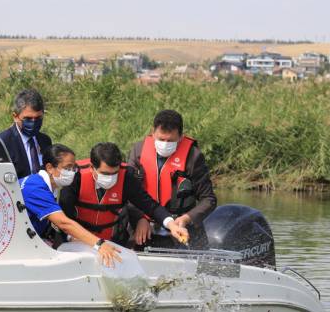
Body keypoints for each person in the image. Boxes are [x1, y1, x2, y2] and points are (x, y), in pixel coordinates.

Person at [59, 142, 189, 246]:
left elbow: (149, 205)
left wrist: (172, 225)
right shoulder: (75, 177)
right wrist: (71, 236)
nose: (110, 178)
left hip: (111, 241)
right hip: (75, 240)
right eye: (105, 174)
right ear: (92, 167)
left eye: (114, 173)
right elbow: (64, 212)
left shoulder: (127, 176)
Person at [19, 143, 121, 267]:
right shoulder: (35, 187)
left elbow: (53, 224)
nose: (72, 172)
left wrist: (70, 237)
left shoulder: (47, 187)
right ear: (50, 168)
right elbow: (63, 222)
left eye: (74, 168)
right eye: (67, 168)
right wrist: (99, 244)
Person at [127, 109, 217, 249]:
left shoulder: (193, 157)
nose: (165, 143)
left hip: (182, 226)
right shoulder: (138, 150)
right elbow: (127, 191)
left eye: (170, 140)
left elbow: (209, 200)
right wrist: (140, 218)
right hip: (144, 226)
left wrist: (186, 218)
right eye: (161, 139)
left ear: (181, 136)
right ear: (153, 132)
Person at [0, 89, 53, 179]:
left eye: (38, 117)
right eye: (28, 118)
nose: (33, 122)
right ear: (15, 117)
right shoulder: (2, 143)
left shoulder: (45, 141)